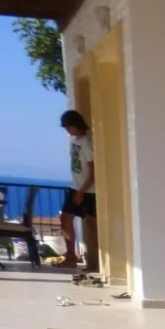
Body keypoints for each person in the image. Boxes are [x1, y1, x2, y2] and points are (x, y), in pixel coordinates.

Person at [59, 109, 98, 273]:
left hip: (88, 191)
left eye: (68, 126)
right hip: (75, 187)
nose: (67, 130)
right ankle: (70, 256)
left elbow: (94, 171)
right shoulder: (75, 141)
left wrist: (82, 191)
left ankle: (94, 262)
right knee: (65, 217)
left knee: (93, 226)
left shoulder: (87, 143)